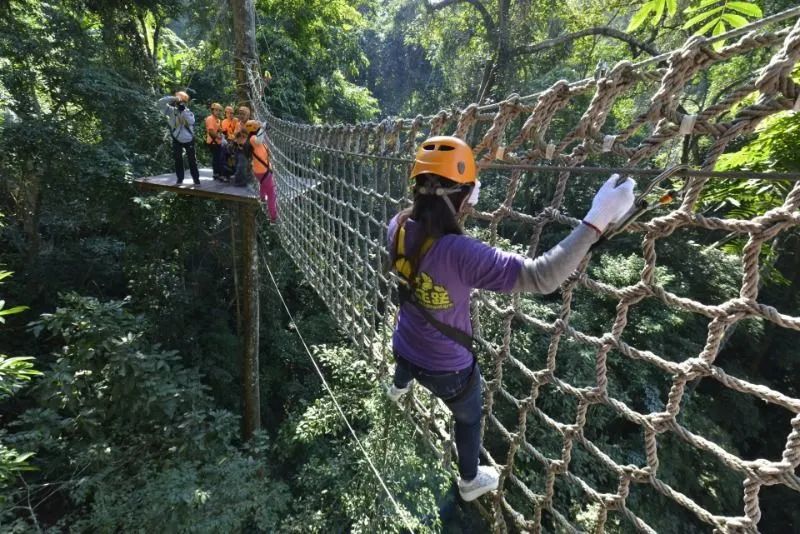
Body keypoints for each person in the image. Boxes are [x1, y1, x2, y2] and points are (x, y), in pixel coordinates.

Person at [386, 136, 635, 502]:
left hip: (404, 343)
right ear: (463, 194)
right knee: (469, 419)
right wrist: (596, 220)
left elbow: (430, 237)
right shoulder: (462, 253)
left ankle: (398, 386)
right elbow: (541, 276)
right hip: (447, 370)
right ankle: (470, 482)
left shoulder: (398, 224)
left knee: (407, 354)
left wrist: (460, 200)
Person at [158, 91, 199, 185]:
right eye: (180, 101)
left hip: (189, 139)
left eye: (183, 101)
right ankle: (180, 179)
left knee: (192, 160)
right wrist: (174, 98)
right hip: (176, 138)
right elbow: (160, 103)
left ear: (186, 102)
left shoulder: (189, 112)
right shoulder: (171, 111)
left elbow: (191, 121)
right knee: (178, 159)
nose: (181, 103)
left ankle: (196, 180)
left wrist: (183, 111)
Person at [244, 119, 278, 222]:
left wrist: (264, 127)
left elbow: (262, 142)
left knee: (263, 184)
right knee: (272, 194)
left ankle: (262, 198)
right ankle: (273, 217)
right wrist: (264, 127)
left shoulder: (257, 139)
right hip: (263, 171)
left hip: (261, 170)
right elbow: (258, 139)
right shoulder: (253, 139)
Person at [205, 102, 225, 180]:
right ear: (212, 110)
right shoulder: (210, 119)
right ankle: (217, 174)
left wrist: (221, 133)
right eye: (216, 110)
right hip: (213, 142)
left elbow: (218, 129)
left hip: (217, 141)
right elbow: (211, 131)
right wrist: (218, 137)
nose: (218, 112)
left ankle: (218, 173)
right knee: (217, 158)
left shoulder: (217, 120)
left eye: (219, 110)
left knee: (218, 157)